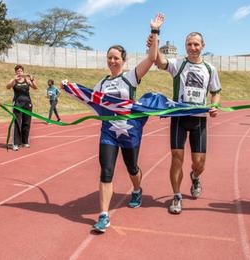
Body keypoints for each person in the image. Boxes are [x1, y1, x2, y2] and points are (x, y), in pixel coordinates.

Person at [92, 13, 164, 233]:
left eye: (116, 58)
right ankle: (103, 215)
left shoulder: (130, 77)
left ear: (123, 61)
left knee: (132, 167)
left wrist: (155, 31)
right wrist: (69, 88)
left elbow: (152, 59)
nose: (112, 61)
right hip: (108, 133)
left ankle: (137, 188)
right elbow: (90, 102)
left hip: (129, 131)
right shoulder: (101, 84)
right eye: (109, 58)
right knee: (106, 170)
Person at [153, 32, 221, 214]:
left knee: (199, 164)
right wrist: (155, 36)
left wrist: (214, 105)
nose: (193, 48)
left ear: (202, 46)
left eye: (196, 44)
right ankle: (176, 196)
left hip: (199, 120)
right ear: (185, 46)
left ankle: (195, 176)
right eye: (189, 44)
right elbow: (160, 62)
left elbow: (216, 91)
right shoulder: (178, 64)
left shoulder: (210, 69)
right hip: (179, 118)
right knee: (177, 158)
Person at [6, 65, 38, 151]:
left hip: (27, 104)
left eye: (20, 71)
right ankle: (15, 143)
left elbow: (35, 87)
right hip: (17, 104)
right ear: (15, 72)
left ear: (23, 72)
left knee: (26, 123)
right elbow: (8, 86)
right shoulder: (14, 80)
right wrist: (13, 79)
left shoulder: (27, 80)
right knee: (17, 123)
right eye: (17, 71)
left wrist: (32, 79)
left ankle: (25, 142)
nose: (19, 72)